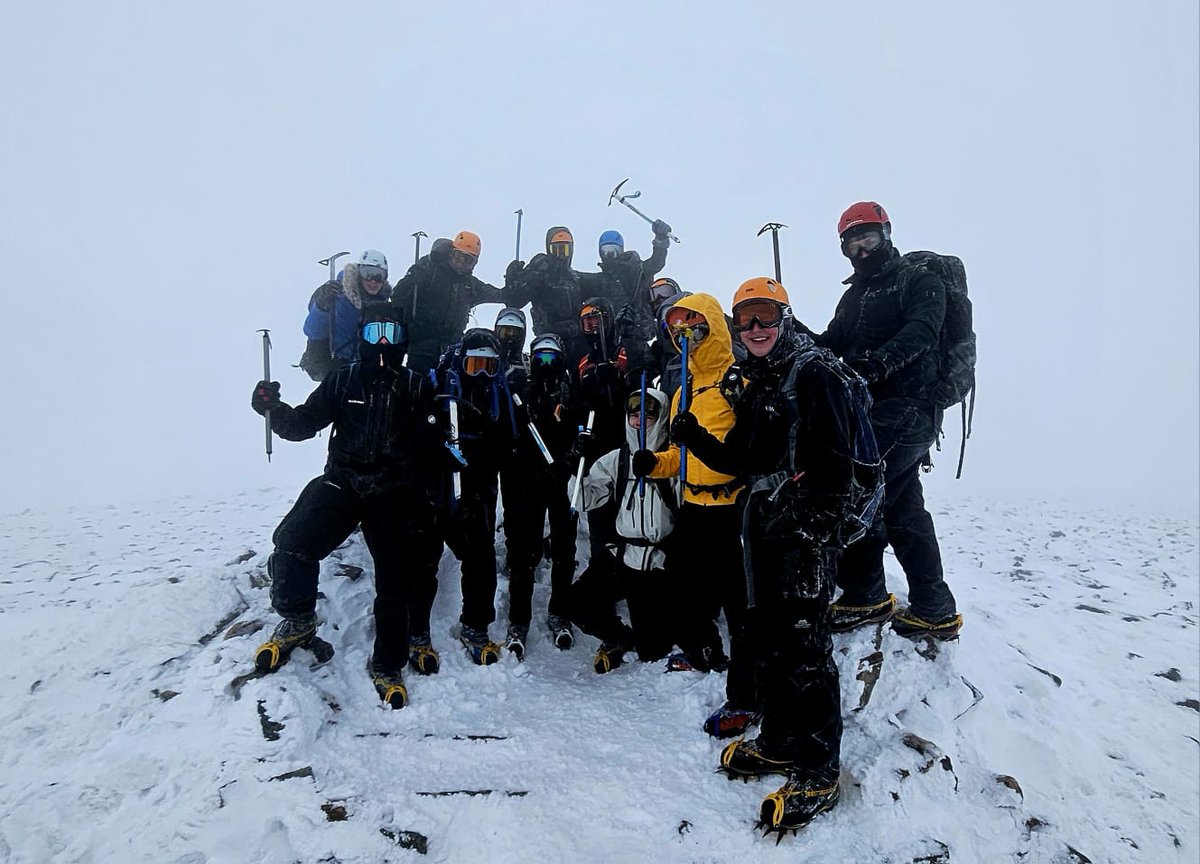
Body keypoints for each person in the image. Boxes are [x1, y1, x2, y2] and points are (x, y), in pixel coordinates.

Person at [660, 276, 873, 833]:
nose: (756, 329)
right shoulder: (758, 378)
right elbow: (746, 457)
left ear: (785, 317)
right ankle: (780, 739)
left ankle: (818, 767)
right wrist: (696, 440)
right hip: (764, 525)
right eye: (746, 319)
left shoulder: (813, 372)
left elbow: (834, 464)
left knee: (806, 646)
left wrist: (809, 524)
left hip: (802, 533)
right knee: (770, 638)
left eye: (766, 316)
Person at [250, 302, 444, 709]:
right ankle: (299, 618)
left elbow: (432, 448)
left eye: (392, 334)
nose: (384, 343)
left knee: (394, 579)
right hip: (343, 480)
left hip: (392, 489)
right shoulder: (344, 381)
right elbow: (303, 424)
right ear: (362, 337)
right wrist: (272, 408)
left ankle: (388, 663)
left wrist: (427, 497)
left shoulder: (415, 386)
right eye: (375, 333)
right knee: (292, 542)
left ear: (403, 340)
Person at [808, 202, 962, 640]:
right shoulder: (855, 295)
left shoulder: (917, 279)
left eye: (867, 237)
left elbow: (923, 331)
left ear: (886, 233)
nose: (859, 246)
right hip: (869, 411)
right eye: (851, 240)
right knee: (903, 507)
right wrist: (786, 324)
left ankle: (864, 595)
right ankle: (934, 608)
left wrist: (875, 366)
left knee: (859, 492)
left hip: (908, 406)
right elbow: (830, 343)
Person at [633, 294, 753, 734]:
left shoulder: (735, 382)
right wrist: (655, 463)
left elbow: (743, 456)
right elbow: (679, 454)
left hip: (729, 509)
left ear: (713, 328)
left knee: (740, 603)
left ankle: (747, 691)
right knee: (685, 588)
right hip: (692, 505)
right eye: (676, 330)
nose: (684, 336)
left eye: (693, 327)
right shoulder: (684, 387)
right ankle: (705, 651)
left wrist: (695, 440)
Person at [573, 387, 679, 673]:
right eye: (634, 416)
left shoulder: (675, 458)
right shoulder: (617, 460)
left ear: (661, 418)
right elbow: (584, 500)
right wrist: (577, 469)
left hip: (662, 562)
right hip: (626, 557)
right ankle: (618, 636)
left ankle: (659, 635)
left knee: (654, 652)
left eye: (648, 416)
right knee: (576, 602)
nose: (640, 422)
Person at [432, 328, 519, 664]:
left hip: (478, 486)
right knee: (424, 558)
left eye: (489, 365)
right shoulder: (440, 390)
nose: (481, 373)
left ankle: (475, 626)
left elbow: (506, 443)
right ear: (460, 364)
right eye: (474, 365)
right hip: (439, 484)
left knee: (480, 556)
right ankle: (416, 629)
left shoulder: (498, 396)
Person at [502, 333, 582, 659]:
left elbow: (582, 430)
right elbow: (506, 432)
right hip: (528, 480)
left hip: (560, 479)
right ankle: (519, 619)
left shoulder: (569, 392)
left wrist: (571, 458)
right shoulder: (523, 391)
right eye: (540, 357)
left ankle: (559, 612)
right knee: (523, 552)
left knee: (564, 549)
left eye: (551, 357)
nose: (545, 364)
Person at [393, 231, 505, 374]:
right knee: (418, 391)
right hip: (421, 351)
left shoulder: (470, 285)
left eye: (468, 260)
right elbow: (397, 296)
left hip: (451, 354)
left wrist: (513, 282)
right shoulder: (428, 272)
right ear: (451, 253)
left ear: (475, 263)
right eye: (458, 257)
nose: (462, 263)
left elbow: (501, 295)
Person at [576, 221, 672, 360]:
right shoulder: (597, 281)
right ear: (600, 253)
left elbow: (656, 262)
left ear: (621, 250)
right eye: (606, 251)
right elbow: (574, 280)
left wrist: (661, 240)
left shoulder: (637, 272)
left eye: (614, 251)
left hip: (638, 330)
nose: (610, 255)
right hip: (611, 335)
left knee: (639, 366)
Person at [503, 226, 589, 367]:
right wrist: (513, 282)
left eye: (566, 250)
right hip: (549, 342)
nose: (562, 255)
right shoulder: (538, 275)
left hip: (578, 343)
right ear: (549, 249)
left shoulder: (576, 279)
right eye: (557, 250)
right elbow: (514, 301)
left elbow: (606, 287)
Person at [299, 250, 392, 381]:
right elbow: (312, 331)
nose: (373, 281)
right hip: (331, 364)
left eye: (379, 276)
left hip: (362, 369)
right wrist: (321, 308)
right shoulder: (337, 295)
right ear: (359, 273)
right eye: (367, 274)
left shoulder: (383, 307)